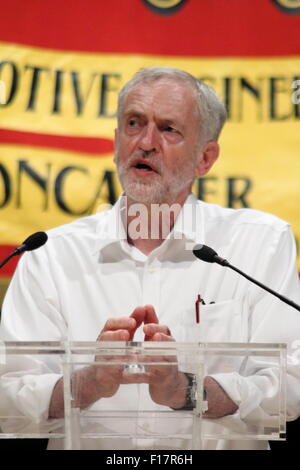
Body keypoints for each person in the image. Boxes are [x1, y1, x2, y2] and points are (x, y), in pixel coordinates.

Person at [0, 67, 300, 450]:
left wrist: (185, 390)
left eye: (168, 129)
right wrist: (88, 383)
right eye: (133, 123)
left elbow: (288, 385)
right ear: (115, 142)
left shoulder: (258, 244)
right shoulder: (51, 255)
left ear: (204, 159)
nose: (145, 142)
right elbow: (8, 394)